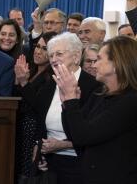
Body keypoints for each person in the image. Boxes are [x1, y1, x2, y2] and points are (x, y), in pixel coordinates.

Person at [17, 32, 100, 184]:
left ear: (76, 56)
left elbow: (95, 134)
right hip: (50, 164)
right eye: (51, 55)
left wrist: (63, 145)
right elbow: (38, 117)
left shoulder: (94, 87)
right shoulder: (49, 86)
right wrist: (39, 146)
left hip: (81, 164)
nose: (53, 59)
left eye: (59, 54)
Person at [54, 35, 137, 183]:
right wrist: (66, 102)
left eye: (99, 59)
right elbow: (74, 135)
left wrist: (71, 100)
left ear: (116, 64)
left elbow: (84, 136)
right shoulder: (100, 94)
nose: (94, 65)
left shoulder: (130, 101)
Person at [14, 31, 57, 180]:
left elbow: (40, 106)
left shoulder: (52, 77)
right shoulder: (30, 70)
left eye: (44, 49)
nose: (38, 51)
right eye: (38, 46)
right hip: (21, 128)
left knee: (29, 174)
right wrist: (18, 81)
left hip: (34, 132)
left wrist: (24, 83)